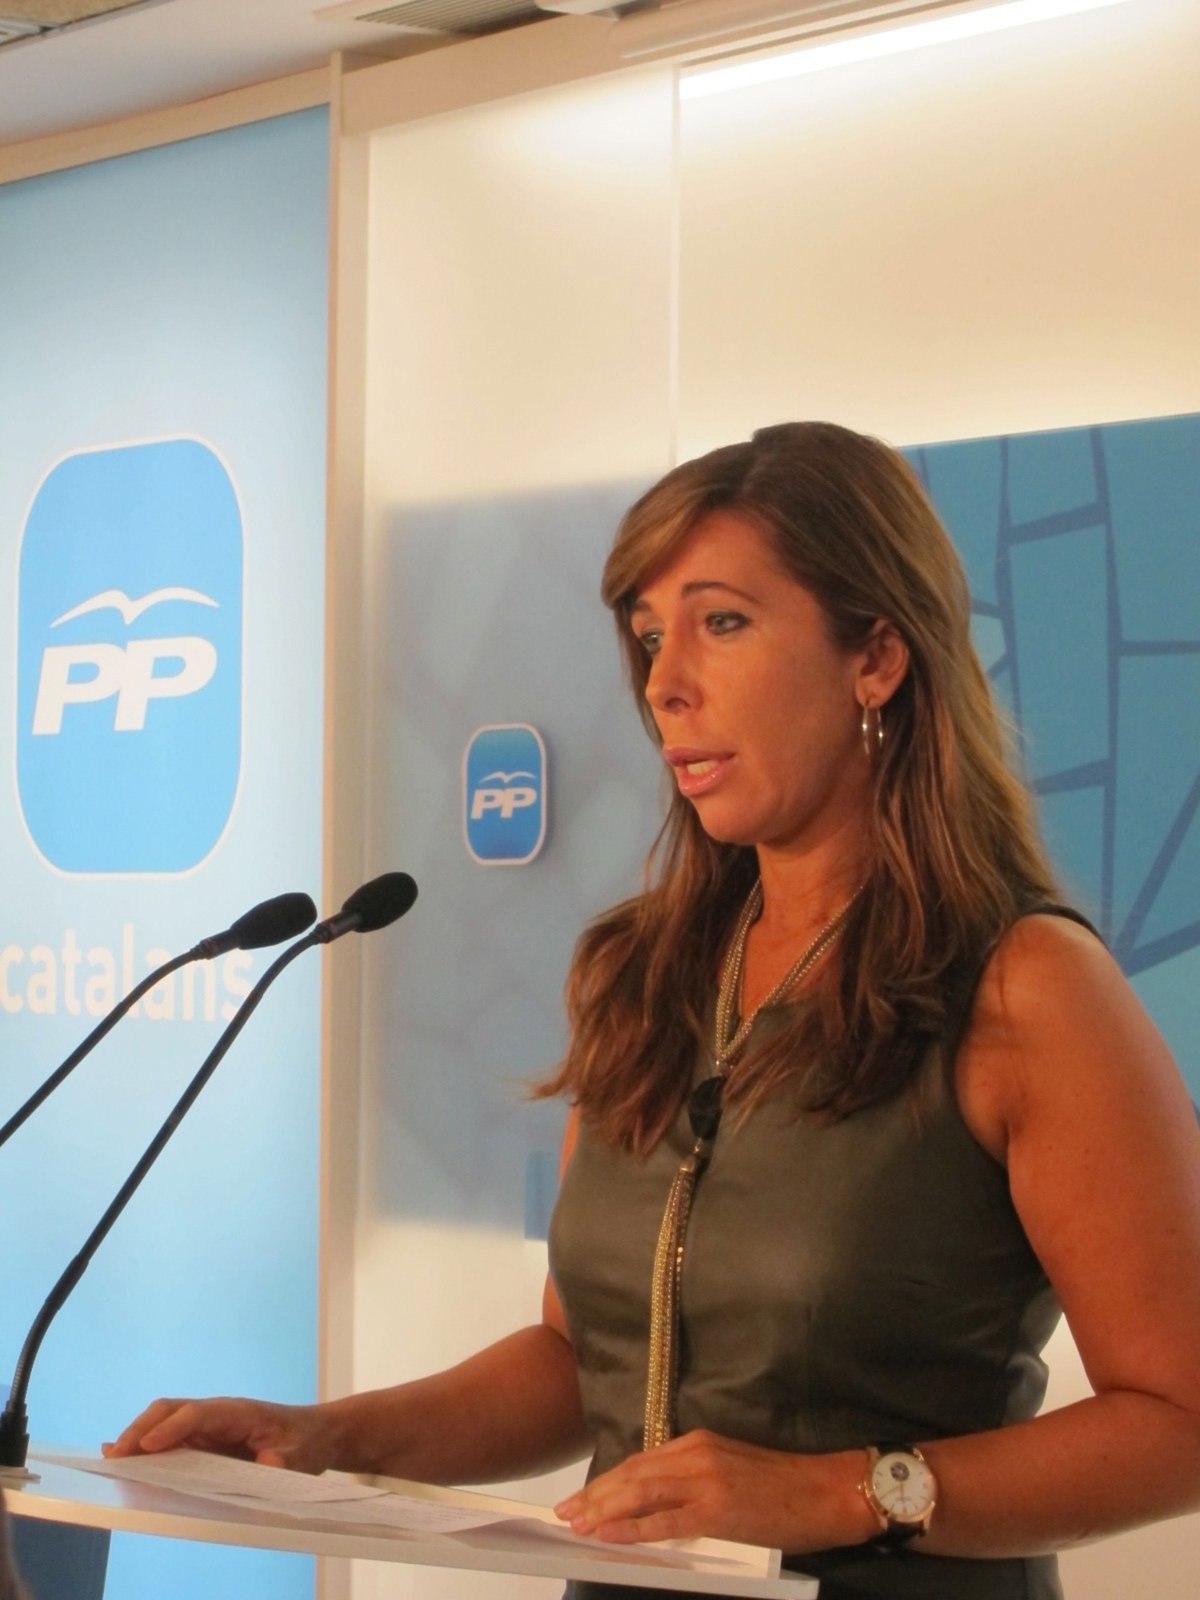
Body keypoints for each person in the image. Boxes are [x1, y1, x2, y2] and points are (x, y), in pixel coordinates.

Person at [106, 423, 1200, 1598]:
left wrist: (845, 1491)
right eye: (646, 637)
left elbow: (1179, 1418)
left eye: (721, 622)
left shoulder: (1025, 984)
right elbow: (578, 1360)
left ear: (877, 656)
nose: (664, 682)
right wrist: (323, 1436)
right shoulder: (646, 973)